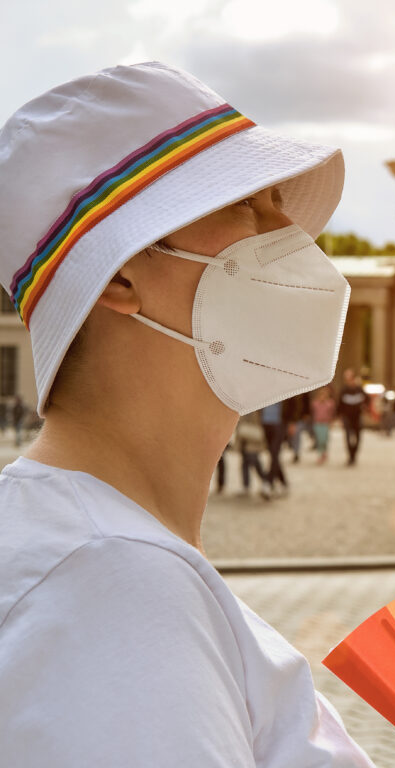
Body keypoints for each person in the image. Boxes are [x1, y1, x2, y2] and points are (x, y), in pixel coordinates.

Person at [0, 62, 373, 765]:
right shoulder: (111, 584)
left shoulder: (100, 554)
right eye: (246, 204)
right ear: (118, 277)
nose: (289, 230)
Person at [237, 409, 273, 500]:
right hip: (243, 436)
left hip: (252, 435)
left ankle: (266, 482)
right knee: (245, 462)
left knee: (254, 461)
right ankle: (246, 485)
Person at [338, 368, 367, 466]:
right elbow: (340, 405)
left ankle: (354, 455)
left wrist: (365, 407)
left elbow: (367, 399)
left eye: (349, 378)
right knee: (348, 437)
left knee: (358, 437)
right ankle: (350, 456)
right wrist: (339, 418)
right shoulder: (343, 390)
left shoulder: (359, 389)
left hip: (357, 417)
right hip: (347, 417)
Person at [260, 400, 289, 495]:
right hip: (265, 423)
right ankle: (283, 482)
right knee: (273, 455)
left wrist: (293, 422)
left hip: (279, 423)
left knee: (274, 452)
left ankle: (268, 483)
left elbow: (293, 402)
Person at [311, 385, 337, 464]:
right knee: (319, 440)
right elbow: (312, 413)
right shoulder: (314, 403)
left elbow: (332, 414)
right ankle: (320, 455)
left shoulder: (330, 403)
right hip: (317, 423)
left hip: (326, 423)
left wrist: (331, 422)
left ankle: (324, 452)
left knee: (324, 439)